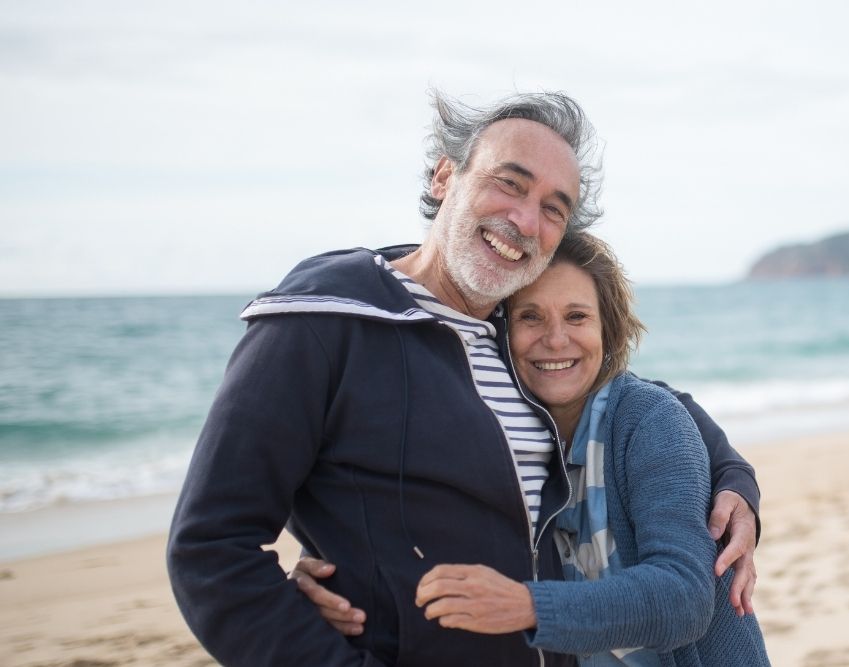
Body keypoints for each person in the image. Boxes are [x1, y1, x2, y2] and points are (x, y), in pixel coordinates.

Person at [167, 90, 760, 666]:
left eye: (554, 207)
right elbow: (210, 551)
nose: (526, 220)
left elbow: (641, 400)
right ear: (445, 177)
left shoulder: (514, 331)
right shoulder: (323, 322)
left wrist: (734, 479)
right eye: (510, 182)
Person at [298, 233, 770, 665]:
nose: (555, 339)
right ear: (500, 334)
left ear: (609, 329)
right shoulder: (503, 439)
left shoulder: (647, 421)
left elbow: (684, 600)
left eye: (577, 316)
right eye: (530, 316)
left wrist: (525, 605)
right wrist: (332, 575)